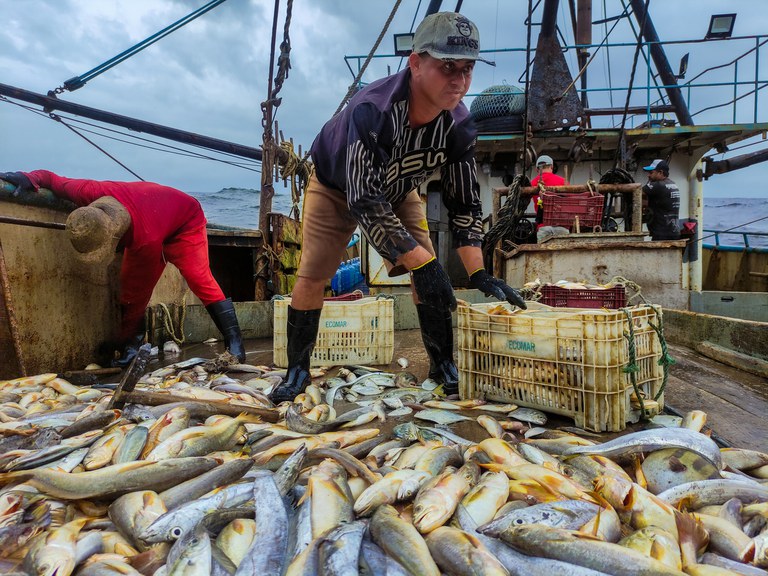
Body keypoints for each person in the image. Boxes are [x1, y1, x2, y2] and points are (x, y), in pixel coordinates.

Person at [269, 12, 527, 404]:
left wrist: (478, 273)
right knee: (313, 273)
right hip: (339, 188)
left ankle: (442, 365)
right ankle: (297, 370)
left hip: (399, 189)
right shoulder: (372, 111)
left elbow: (464, 204)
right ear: (416, 62)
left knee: (426, 274)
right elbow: (363, 200)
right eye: (446, 67)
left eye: (467, 69)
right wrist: (421, 261)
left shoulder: (459, 128)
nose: (458, 81)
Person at [0, 170, 246, 366]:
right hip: (153, 212)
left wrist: (123, 339)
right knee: (131, 285)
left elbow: (138, 294)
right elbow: (53, 179)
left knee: (198, 278)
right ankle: (131, 344)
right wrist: (30, 177)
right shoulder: (91, 193)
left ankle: (235, 345)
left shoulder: (145, 241)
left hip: (186, 218)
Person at [641, 159, 681, 241]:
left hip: (662, 234)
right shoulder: (673, 184)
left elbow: (637, 192)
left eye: (651, 172)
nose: (648, 175)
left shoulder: (658, 185)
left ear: (660, 172)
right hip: (673, 232)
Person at [530, 154, 567, 228]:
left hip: (542, 226)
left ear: (537, 169)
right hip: (562, 225)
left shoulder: (532, 183)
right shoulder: (563, 181)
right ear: (552, 167)